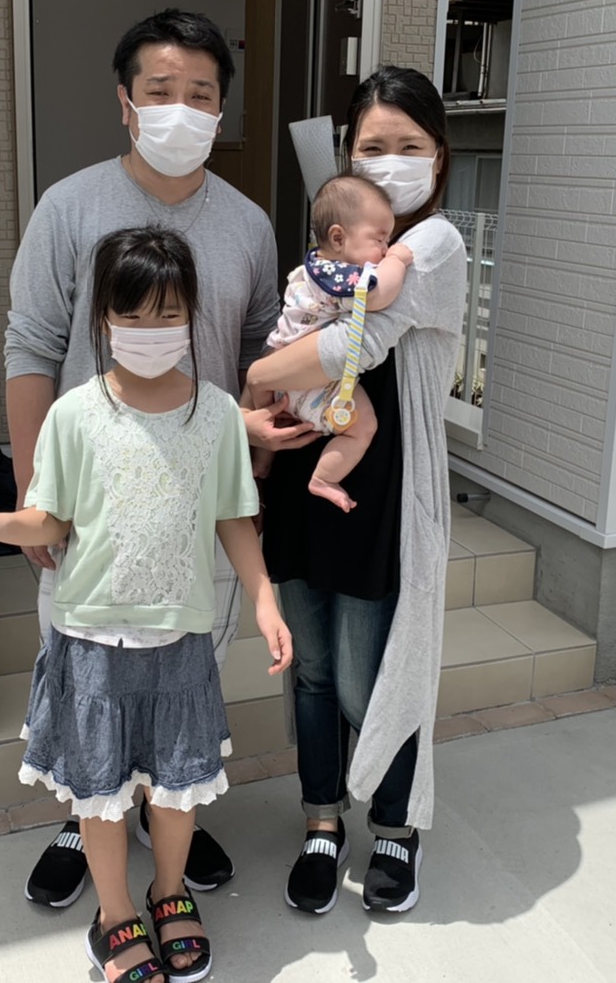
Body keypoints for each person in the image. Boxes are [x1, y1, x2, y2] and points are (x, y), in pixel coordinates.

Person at [3, 9, 313, 910]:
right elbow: (31, 345)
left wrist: (258, 457)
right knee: (85, 674)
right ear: (126, 102)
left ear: (221, 109)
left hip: (195, 501)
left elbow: (259, 355)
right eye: (161, 90)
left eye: (201, 94)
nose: (181, 108)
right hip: (89, 501)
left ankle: (167, 803)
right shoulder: (70, 206)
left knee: (184, 668)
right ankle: (86, 811)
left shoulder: (248, 224)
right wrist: (32, 492)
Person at [0, 228, 294, 983]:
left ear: (192, 314)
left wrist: (265, 600)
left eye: (168, 313)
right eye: (132, 315)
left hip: (179, 640)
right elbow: (51, 521)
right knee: (99, 795)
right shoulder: (74, 413)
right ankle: (114, 914)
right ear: (103, 317)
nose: (150, 330)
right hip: (90, 640)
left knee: (176, 791)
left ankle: (168, 893)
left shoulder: (216, 414)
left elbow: (235, 519)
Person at [246, 66, 466, 915]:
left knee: (369, 680)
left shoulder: (432, 245)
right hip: (308, 482)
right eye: (375, 145)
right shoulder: (337, 243)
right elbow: (304, 328)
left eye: (410, 144)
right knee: (311, 672)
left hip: (385, 497)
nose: (392, 159)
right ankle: (321, 820)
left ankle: (396, 828)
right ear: (349, 151)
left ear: (438, 156)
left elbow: (351, 348)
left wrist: (260, 374)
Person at [250, 173, 414, 512]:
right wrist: (397, 260)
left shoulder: (315, 266)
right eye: (380, 239)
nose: (385, 248)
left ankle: (263, 461)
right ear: (338, 237)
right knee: (363, 427)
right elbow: (377, 296)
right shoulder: (339, 277)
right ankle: (324, 477)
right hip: (312, 382)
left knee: (266, 416)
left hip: (280, 370)